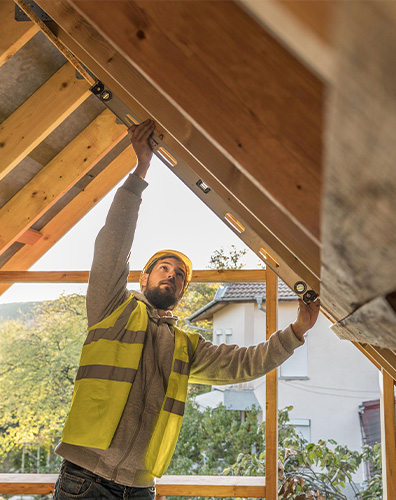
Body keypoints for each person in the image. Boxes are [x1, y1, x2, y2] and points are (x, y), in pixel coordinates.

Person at [52, 119, 320, 500]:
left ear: (181, 292)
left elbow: (243, 363)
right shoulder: (111, 308)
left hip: (141, 488)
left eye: (179, 275)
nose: (172, 276)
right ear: (143, 279)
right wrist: (139, 173)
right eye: (164, 268)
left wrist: (296, 333)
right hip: (85, 479)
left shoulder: (184, 345)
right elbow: (111, 247)